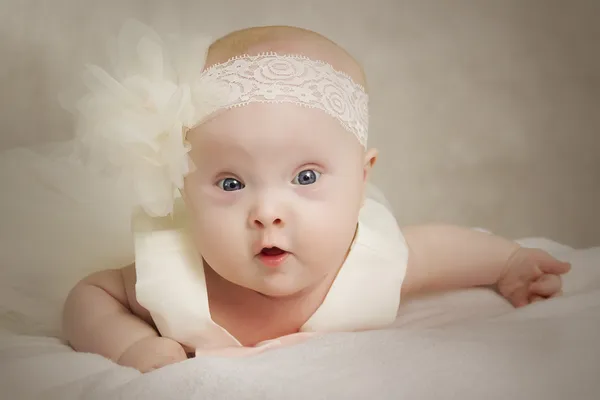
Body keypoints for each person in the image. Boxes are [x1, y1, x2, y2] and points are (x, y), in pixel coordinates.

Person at [62, 21, 571, 373]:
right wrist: (133, 346)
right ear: (185, 190)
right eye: (231, 184)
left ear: (361, 178)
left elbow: (439, 250)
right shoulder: (176, 274)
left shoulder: (364, 261)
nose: (267, 214)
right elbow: (91, 295)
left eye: (305, 177)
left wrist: (508, 263)